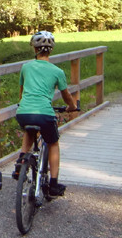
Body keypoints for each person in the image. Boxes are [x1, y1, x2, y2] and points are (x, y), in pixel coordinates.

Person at [14, 31, 79, 196]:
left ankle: (20, 161)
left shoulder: (26, 67)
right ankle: (53, 184)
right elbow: (66, 96)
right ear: (51, 50)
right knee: (53, 143)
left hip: (24, 112)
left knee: (30, 130)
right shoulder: (57, 71)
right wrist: (71, 106)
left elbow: (21, 94)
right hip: (44, 113)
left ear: (35, 49)